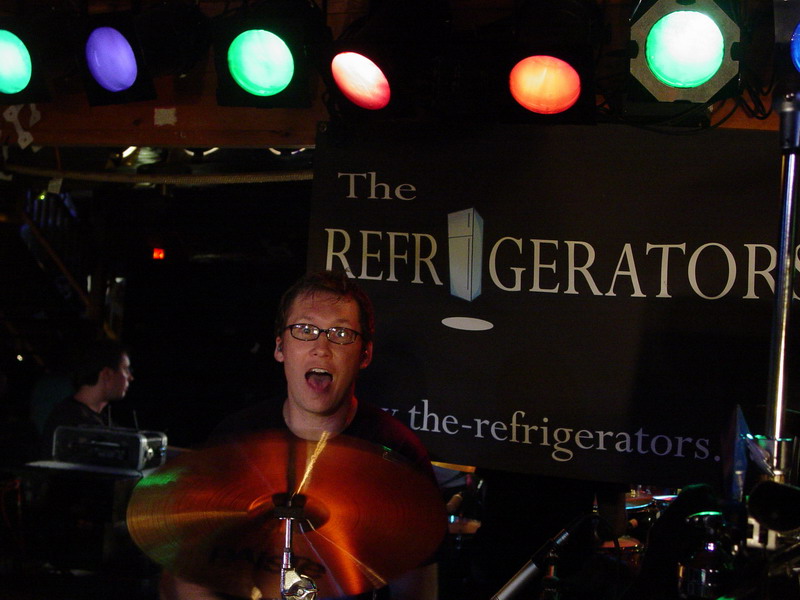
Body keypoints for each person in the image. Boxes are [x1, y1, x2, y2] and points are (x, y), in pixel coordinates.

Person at [160, 270, 440, 600]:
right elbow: (186, 574)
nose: (322, 348)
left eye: (341, 333)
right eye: (305, 330)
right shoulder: (236, 440)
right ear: (280, 347)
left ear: (364, 354)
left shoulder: (398, 453)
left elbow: (418, 589)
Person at [39, 338, 134, 459]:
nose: (130, 377)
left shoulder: (94, 418)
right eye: (126, 369)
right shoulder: (73, 422)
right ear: (107, 374)